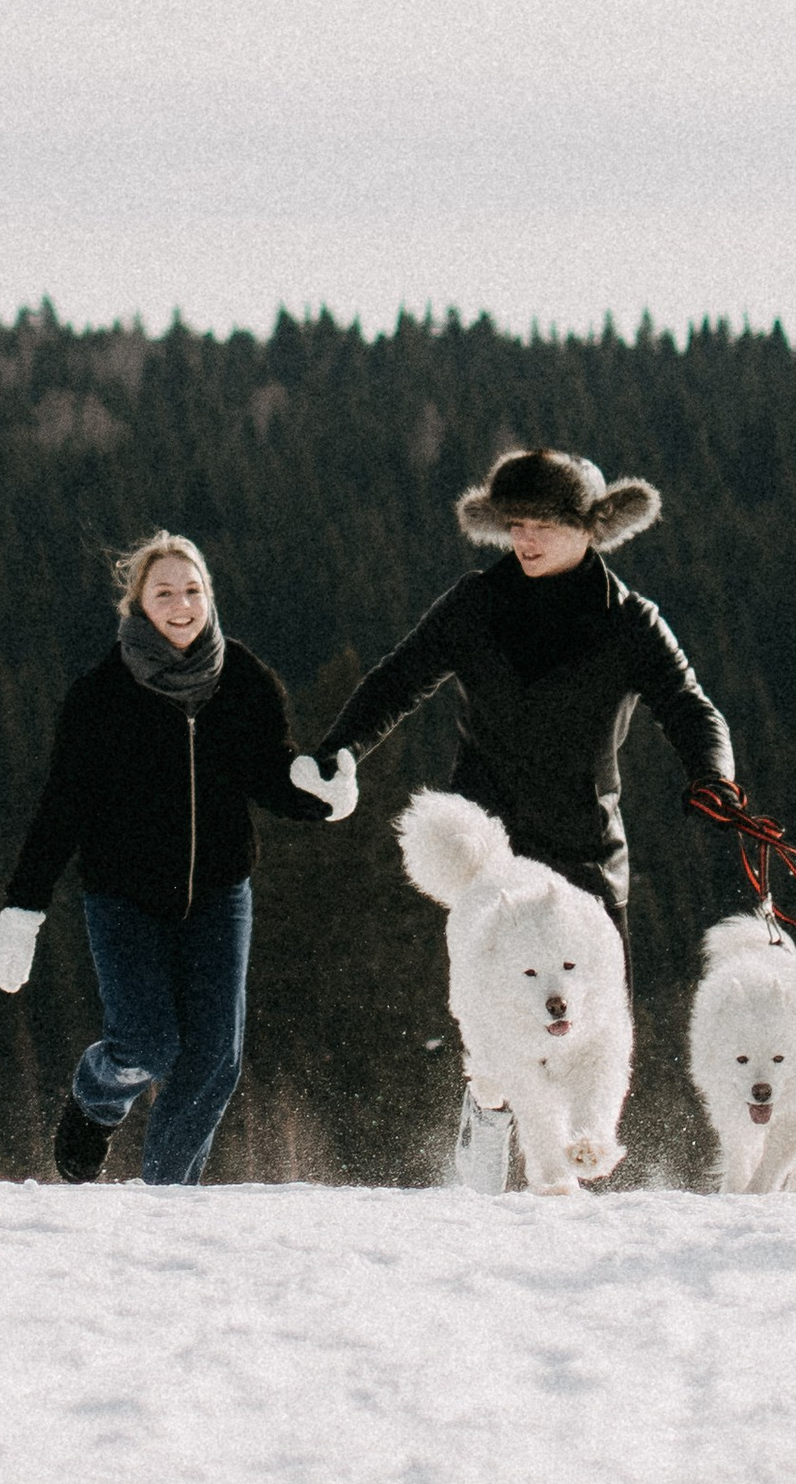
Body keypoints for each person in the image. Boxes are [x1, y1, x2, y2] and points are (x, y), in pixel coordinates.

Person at [312, 447, 737, 1187]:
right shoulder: (474, 604)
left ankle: (578, 1149)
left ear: (591, 527)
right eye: (514, 524)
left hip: (586, 853)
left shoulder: (632, 622)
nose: (525, 539)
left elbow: (688, 704)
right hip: (492, 857)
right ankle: (491, 1101)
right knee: (503, 1025)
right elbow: (399, 677)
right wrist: (339, 747)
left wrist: (714, 778)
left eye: (543, 523)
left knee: (594, 1025)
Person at [0, 532, 357, 1186]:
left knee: (214, 1056)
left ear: (208, 596)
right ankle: (96, 1095)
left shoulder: (243, 679)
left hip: (219, 892)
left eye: (193, 590)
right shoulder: (101, 695)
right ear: (138, 603)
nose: (181, 604)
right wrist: (24, 907)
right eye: (165, 592)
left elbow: (269, 774)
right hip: (123, 898)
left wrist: (321, 797)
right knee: (146, 1043)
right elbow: (62, 807)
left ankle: (164, 1203)